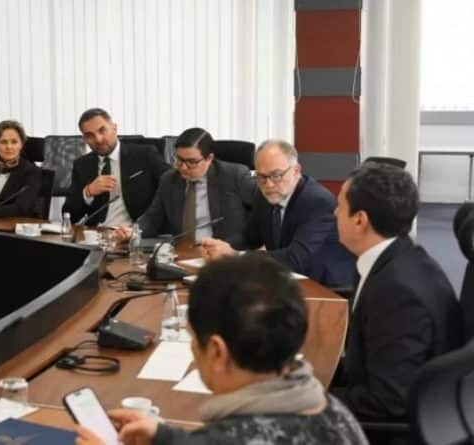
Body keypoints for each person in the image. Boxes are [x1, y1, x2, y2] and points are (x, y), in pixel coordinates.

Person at [76, 254, 368, 445]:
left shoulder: (231, 437)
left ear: (217, 351)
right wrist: (164, 437)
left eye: (194, 340)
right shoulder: (335, 413)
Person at [331, 163, 463, 420]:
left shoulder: (397, 293)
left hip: (394, 428)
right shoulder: (399, 258)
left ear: (360, 220)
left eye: (339, 206)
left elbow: (388, 400)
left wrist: (313, 397)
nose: (334, 213)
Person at [200, 140, 356, 287]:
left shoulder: (317, 201)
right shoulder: (264, 195)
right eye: (261, 177)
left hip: (326, 287)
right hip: (288, 280)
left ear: (296, 171)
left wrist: (235, 256)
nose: (268, 184)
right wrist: (220, 247)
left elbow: (296, 259)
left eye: (276, 176)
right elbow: (249, 237)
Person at [114, 128, 255, 246]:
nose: (183, 167)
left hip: (224, 253)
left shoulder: (234, 175)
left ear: (209, 158)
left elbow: (261, 209)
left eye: (191, 162)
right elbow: (152, 218)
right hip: (182, 253)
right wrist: (133, 232)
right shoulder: (169, 179)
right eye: (179, 159)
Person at [63, 108, 169, 226]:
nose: (98, 139)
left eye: (102, 130)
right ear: (85, 139)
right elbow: (68, 216)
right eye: (90, 135)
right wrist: (88, 192)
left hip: (135, 231)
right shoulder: (82, 164)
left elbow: (173, 183)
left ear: (114, 128)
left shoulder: (144, 155)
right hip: (97, 233)